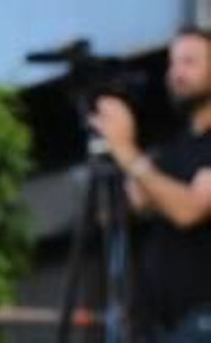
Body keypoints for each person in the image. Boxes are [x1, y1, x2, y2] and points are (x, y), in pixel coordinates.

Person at [91, 27, 211, 341]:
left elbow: (189, 210)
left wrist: (127, 150)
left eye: (189, 62)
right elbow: (134, 202)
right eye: (173, 63)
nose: (177, 72)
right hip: (158, 325)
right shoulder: (174, 148)